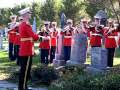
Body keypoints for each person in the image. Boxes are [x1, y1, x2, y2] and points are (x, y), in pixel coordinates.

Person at [18, 7, 39, 90]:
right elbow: (34, 37)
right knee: (25, 71)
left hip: (25, 49)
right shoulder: (26, 24)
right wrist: (41, 37)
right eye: (29, 13)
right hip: (27, 50)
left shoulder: (22, 24)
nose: (30, 14)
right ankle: (23, 87)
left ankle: (23, 86)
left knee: (24, 70)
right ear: (26, 15)